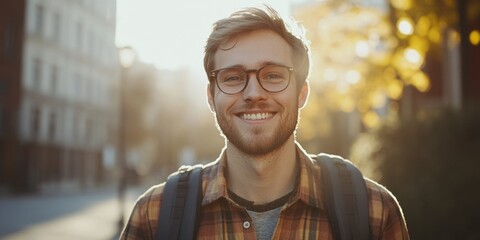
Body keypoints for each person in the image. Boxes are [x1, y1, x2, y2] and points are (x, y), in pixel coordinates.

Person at [120, 5, 409, 240]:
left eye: (273, 75)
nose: (254, 94)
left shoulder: (374, 213)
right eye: (233, 77)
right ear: (211, 97)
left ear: (301, 93)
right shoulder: (154, 217)